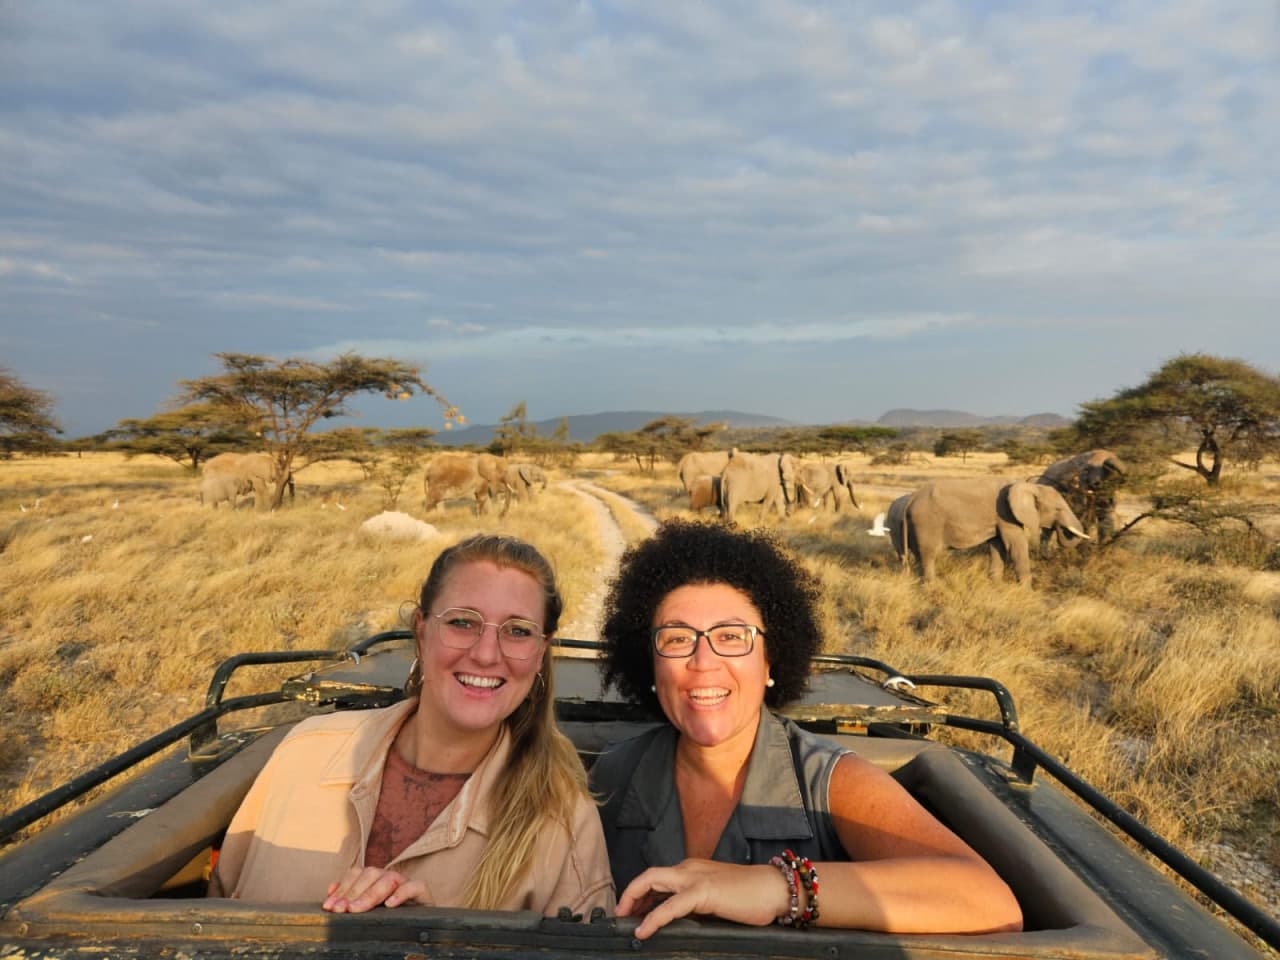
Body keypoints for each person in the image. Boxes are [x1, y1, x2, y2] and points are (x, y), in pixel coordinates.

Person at [590, 520, 1023, 939]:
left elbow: (988, 901)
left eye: (732, 636)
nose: (703, 661)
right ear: (650, 664)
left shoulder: (830, 782)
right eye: (677, 638)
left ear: (771, 660)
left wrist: (779, 887)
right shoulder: (611, 774)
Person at [209, 534, 614, 917]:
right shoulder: (304, 755)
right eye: (462, 622)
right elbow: (211, 922)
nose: (487, 654)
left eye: (518, 631)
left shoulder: (562, 820)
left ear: (541, 651)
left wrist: (436, 940)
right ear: (422, 630)